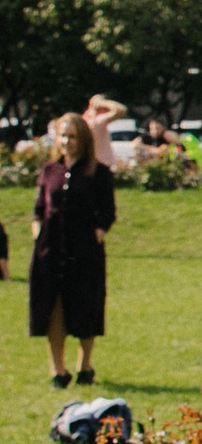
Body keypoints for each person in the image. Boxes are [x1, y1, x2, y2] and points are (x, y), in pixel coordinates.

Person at [29, 110, 116, 389]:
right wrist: (37, 231)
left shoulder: (98, 172)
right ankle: (58, 371)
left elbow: (107, 211)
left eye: (73, 136)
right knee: (53, 307)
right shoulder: (49, 170)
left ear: (83, 139)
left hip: (84, 250)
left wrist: (98, 231)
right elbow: (39, 208)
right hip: (51, 248)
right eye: (63, 136)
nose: (67, 141)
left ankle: (85, 366)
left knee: (85, 306)